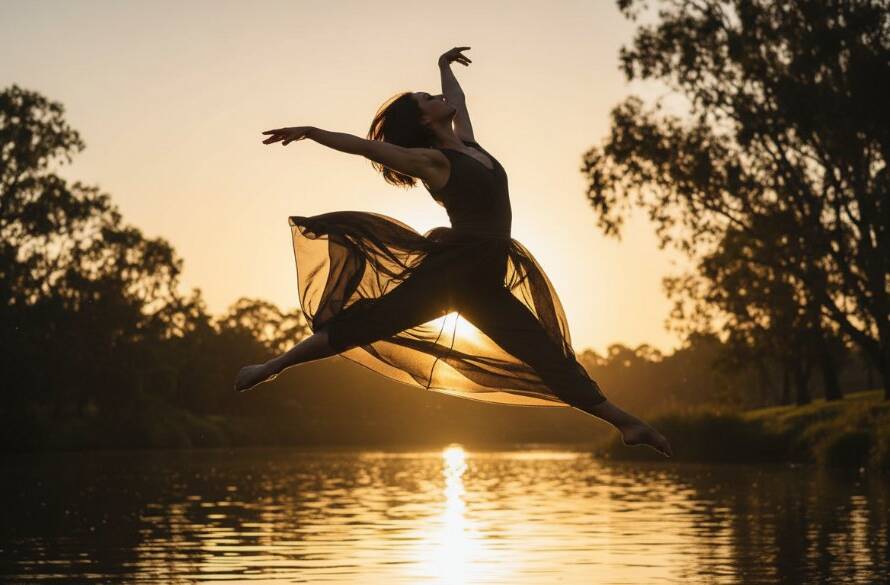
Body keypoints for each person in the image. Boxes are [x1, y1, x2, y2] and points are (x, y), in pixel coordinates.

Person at [235, 47, 673, 458]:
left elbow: (459, 100)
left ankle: (625, 425)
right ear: (424, 119)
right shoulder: (433, 161)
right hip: (456, 273)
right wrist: (312, 132)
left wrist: (444, 65)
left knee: (547, 354)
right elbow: (368, 148)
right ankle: (272, 366)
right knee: (370, 322)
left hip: (484, 278)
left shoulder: (471, 147)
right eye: (429, 97)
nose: (441, 96)